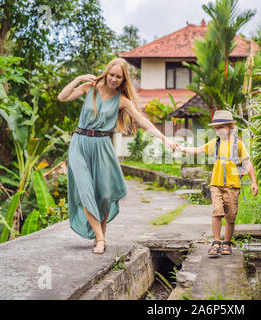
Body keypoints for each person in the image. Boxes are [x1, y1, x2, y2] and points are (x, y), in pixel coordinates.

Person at [58, 58, 178, 254]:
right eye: (111, 75)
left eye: (118, 77)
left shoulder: (122, 101)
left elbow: (142, 121)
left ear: (123, 80)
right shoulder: (90, 88)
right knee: (86, 191)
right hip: (79, 144)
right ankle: (100, 239)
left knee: (105, 194)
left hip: (102, 146)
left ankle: (101, 232)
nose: (113, 79)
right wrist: (78, 78)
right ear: (106, 73)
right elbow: (62, 97)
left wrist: (164, 138)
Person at [177, 110, 258, 257]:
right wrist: (181, 148)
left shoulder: (238, 144)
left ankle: (226, 243)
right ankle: (216, 242)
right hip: (216, 184)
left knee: (231, 216)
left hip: (233, 186)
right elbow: (197, 150)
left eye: (220, 127)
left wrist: (254, 182)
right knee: (217, 211)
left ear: (230, 127)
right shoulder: (215, 143)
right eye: (215, 127)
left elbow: (247, 162)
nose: (217, 130)